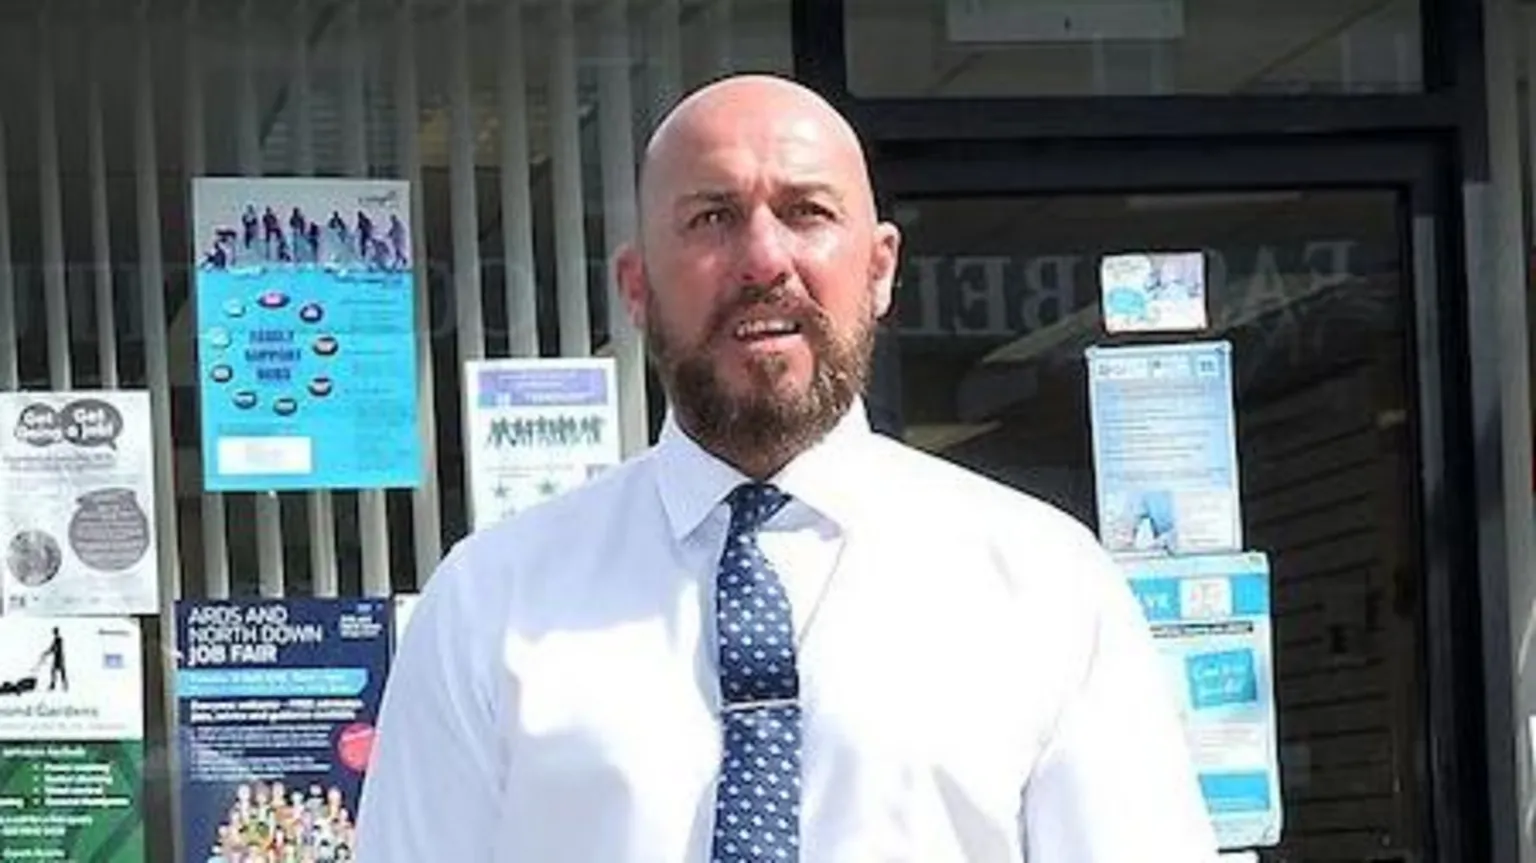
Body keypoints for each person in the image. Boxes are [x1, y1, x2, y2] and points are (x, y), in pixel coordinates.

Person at [355, 73, 1220, 862]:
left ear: (879, 267)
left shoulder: (1049, 588)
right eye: (711, 217)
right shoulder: (489, 604)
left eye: (807, 210)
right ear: (637, 287)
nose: (764, 260)